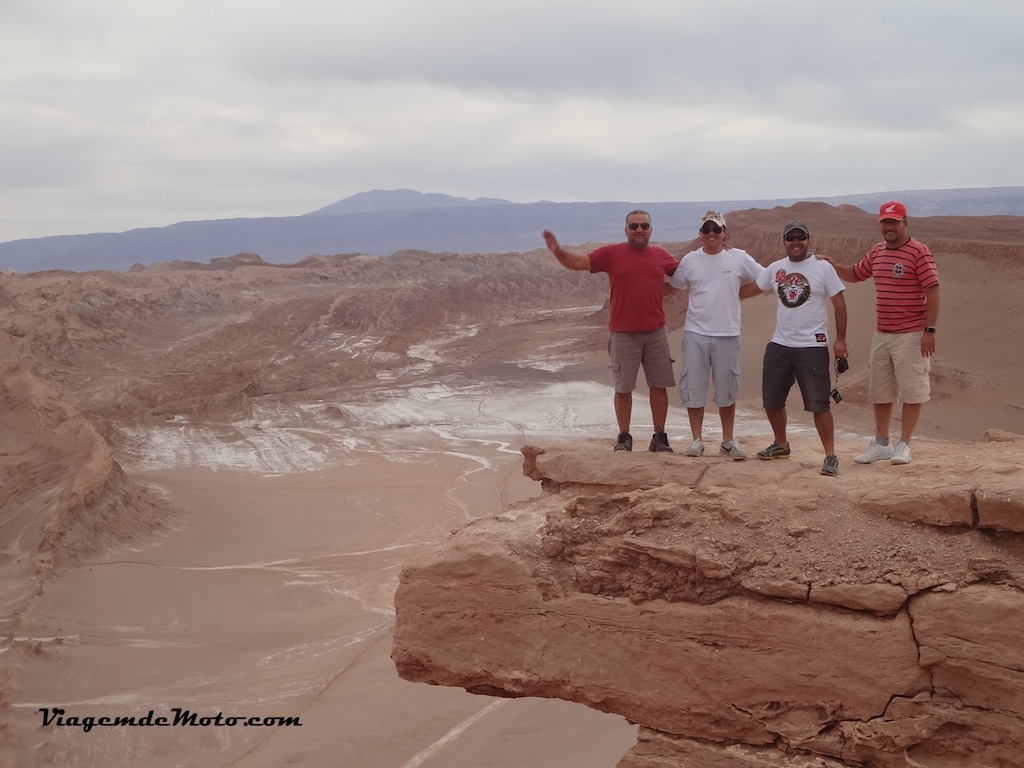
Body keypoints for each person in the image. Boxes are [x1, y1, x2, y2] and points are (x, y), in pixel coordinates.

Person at [542, 210, 679, 452]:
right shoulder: (611, 253)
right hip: (623, 333)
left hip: (656, 332)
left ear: (651, 229)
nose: (639, 230)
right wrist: (557, 251)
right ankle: (624, 436)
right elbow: (578, 263)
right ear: (625, 230)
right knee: (623, 387)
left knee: (659, 384)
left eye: (644, 226)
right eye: (634, 226)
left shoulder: (661, 256)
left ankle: (659, 436)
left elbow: (685, 277)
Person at [820, 201, 940, 466]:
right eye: (885, 222)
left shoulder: (919, 252)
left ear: (905, 222)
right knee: (881, 391)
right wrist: (833, 265)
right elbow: (856, 273)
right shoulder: (877, 252)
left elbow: (932, 290)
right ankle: (882, 443)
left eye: (894, 222)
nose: (889, 227)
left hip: (911, 334)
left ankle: (904, 444)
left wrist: (929, 331)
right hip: (882, 333)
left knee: (912, 391)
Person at [741, 220, 848, 475]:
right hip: (780, 343)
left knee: (818, 403)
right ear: (785, 241)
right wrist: (717, 286)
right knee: (772, 400)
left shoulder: (823, 268)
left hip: (812, 345)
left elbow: (840, 304)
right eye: (791, 238)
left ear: (809, 239)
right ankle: (781, 444)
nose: (796, 242)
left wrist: (841, 339)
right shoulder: (777, 268)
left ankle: (830, 455)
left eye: (801, 237)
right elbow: (751, 289)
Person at [667, 211, 763, 459]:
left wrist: (739, 294)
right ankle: (696, 440)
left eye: (716, 230)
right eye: (707, 230)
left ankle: (728, 440)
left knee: (727, 388)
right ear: (700, 234)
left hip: (727, 333)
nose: (712, 234)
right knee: (694, 386)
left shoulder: (738, 257)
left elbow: (765, 278)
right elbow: (675, 285)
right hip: (695, 333)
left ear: (724, 232)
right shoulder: (690, 260)